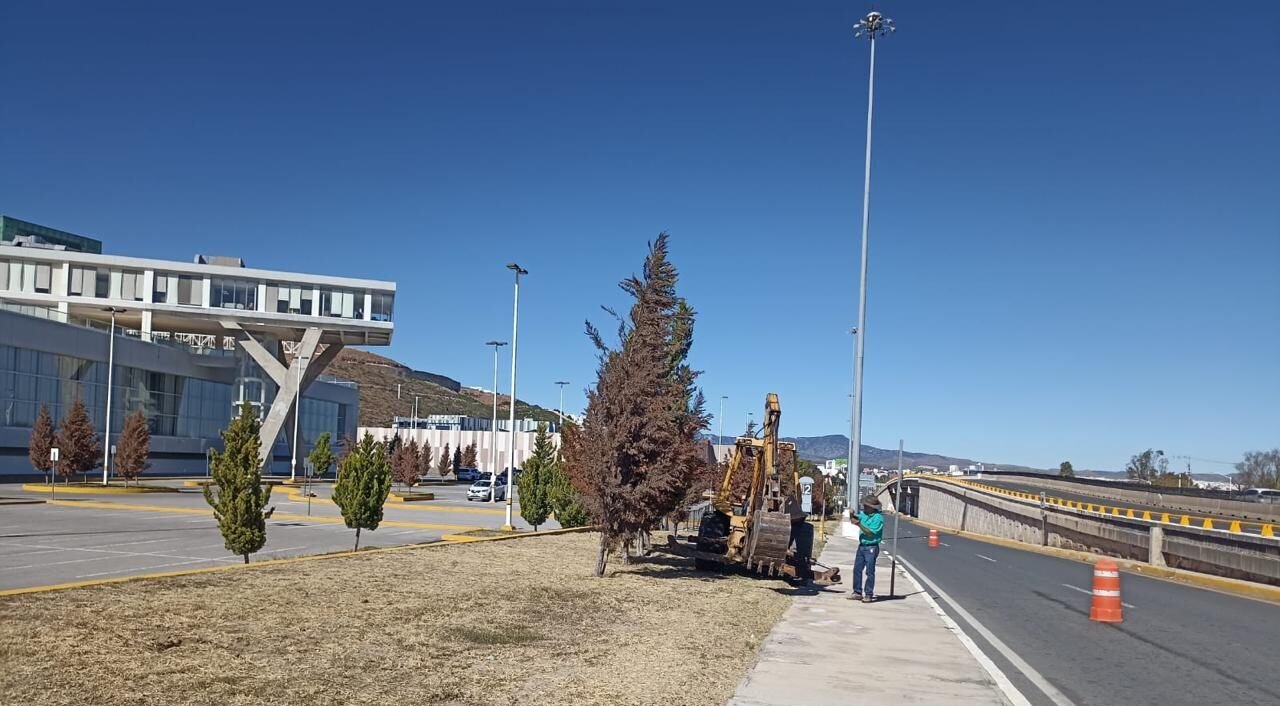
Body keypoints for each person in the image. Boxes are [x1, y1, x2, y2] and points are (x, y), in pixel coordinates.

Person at [847, 495, 884, 603]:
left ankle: (868, 593)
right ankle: (857, 592)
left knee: (869, 571)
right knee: (857, 569)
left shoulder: (878, 518)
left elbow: (870, 533)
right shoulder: (863, 514)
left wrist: (859, 524)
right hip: (862, 546)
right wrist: (851, 514)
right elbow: (854, 520)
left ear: (872, 507)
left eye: (866, 506)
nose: (864, 508)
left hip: (871, 547)